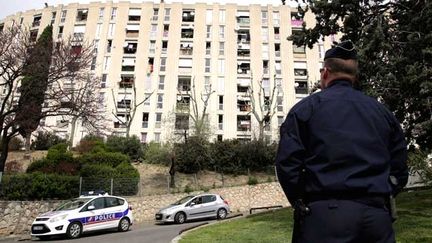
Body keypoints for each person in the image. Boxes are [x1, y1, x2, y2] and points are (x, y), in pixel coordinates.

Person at [275, 40, 409, 243]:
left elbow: (287, 164)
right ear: (354, 76)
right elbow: (399, 164)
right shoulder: (381, 112)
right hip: (375, 218)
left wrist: (300, 199)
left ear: (325, 73)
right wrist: (384, 192)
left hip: (324, 217)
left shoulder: (305, 110)